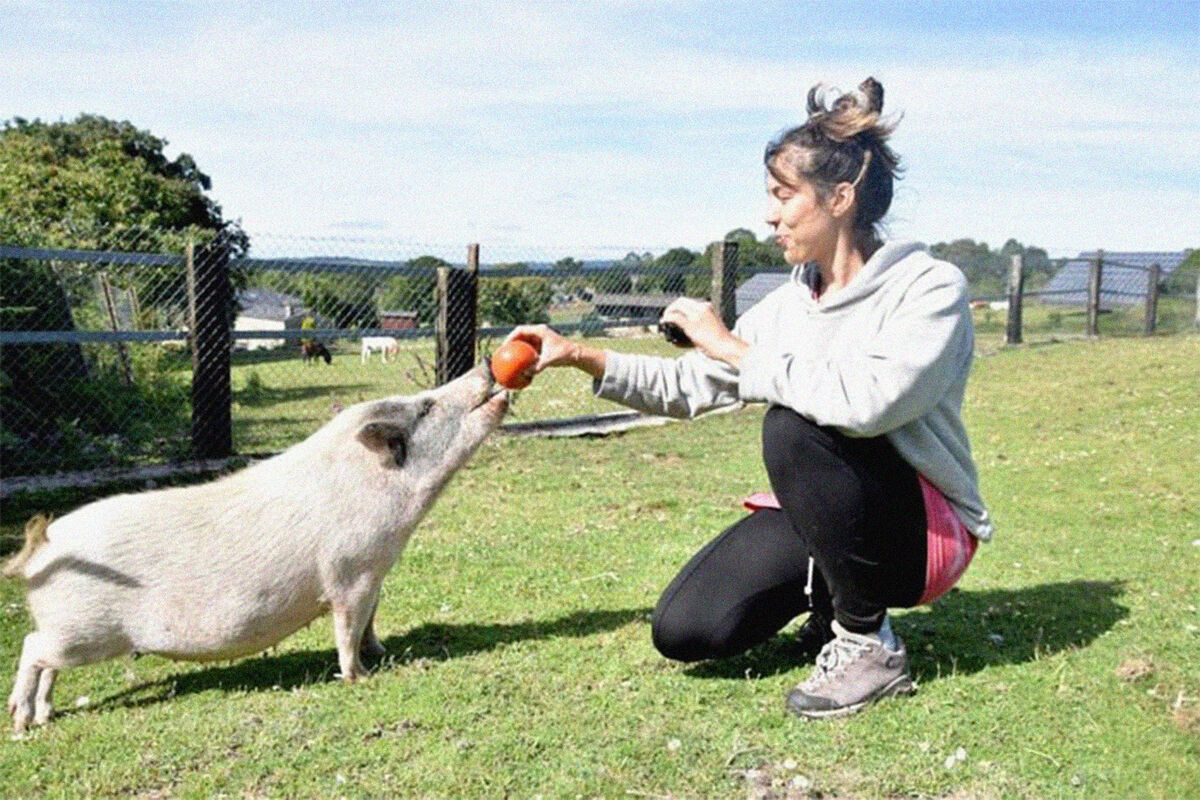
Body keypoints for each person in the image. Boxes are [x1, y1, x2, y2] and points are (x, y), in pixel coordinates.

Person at [506, 77, 992, 719]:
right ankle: (831, 600)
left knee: (792, 427)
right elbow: (690, 387)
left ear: (840, 198)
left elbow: (871, 404)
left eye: (783, 196)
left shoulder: (930, 289)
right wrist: (582, 355)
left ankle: (868, 643)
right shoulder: (791, 303)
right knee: (687, 629)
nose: (769, 215)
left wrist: (732, 347)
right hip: (830, 513)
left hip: (920, 534)